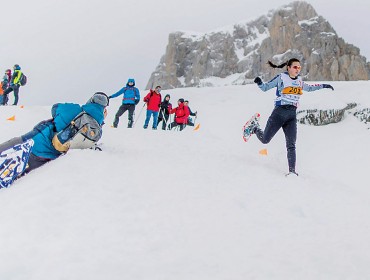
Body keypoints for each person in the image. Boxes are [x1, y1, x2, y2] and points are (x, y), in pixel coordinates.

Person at [247, 58, 334, 176]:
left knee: (291, 144)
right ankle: (254, 128)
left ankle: (292, 171)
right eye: (295, 67)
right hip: (279, 113)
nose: (297, 69)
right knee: (265, 140)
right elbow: (265, 88)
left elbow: (310, 88)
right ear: (288, 67)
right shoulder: (281, 78)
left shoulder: (299, 81)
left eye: (299, 67)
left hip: (291, 116)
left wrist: (324, 85)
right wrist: (259, 82)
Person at [0, 92, 109, 176]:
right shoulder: (97, 131)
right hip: (47, 158)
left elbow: (55, 108)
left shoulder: (74, 109)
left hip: (33, 142)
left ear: (91, 100)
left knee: (9, 147)